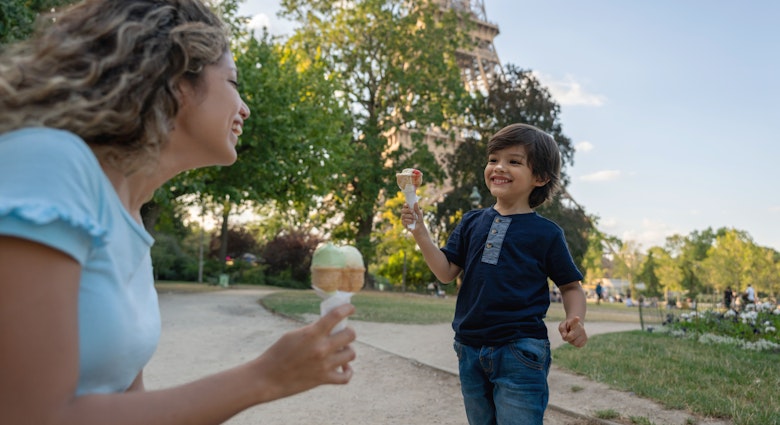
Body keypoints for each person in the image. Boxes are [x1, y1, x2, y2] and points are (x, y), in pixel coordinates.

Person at [0, 1, 356, 424]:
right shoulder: (49, 163)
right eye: (233, 82)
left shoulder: (130, 220)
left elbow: (130, 402)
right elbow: (31, 415)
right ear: (175, 81)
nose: (244, 109)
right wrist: (266, 377)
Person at [400, 123, 588, 425]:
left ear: (539, 178)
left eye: (514, 161)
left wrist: (575, 319)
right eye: (493, 160)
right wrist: (420, 232)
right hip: (469, 347)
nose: (499, 167)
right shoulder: (472, 222)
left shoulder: (547, 234)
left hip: (520, 351)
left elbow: (570, 286)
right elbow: (446, 272)